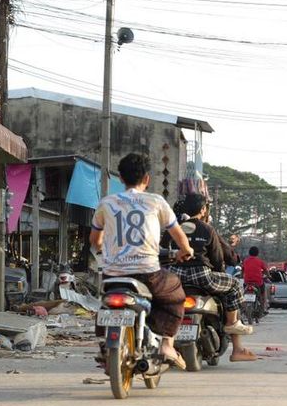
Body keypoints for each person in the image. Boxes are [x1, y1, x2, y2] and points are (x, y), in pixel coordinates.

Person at [90, 152, 195, 368]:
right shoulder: (156, 201)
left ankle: (104, 344)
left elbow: (95, 239)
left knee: (105, 303)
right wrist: (186, 250)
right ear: (147, 179)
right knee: (174, 294)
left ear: (120, 177)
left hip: (113, 274)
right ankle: (167, 343)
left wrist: (103, 247)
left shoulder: (106, 203)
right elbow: (179, 236)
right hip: (148, 273)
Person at [165, 193, 258, 362]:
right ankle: (231, 323)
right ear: (202, 210)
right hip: (202, 276)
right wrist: (218, 271)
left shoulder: (173, 228)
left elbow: (163, 252)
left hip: (175, 277)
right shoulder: (207, 229)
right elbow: (216, 259)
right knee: (235, 284)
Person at [241, 246, 268, 313]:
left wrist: (242, 276)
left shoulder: (245, 261)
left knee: (243, 293)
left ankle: (243, 307)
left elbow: (242, 270)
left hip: (247, 282)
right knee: (262, 293)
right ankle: (263, 307)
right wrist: (268, 275)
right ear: (257, 253)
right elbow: (265, 270)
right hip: (258, 282)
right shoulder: (260, 261)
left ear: (249, 253)